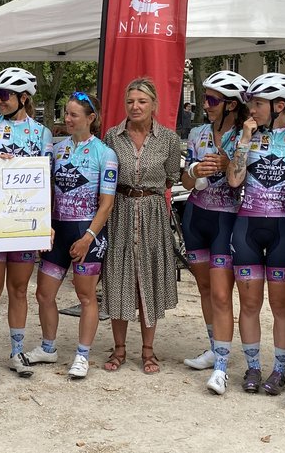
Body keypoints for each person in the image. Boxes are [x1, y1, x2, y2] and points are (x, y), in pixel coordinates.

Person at [226, 72, 285, 396]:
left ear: (279, 105)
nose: (253, 109)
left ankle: (279, 370)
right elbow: (234, 180)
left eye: (259, 103)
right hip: (247, 224)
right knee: (249, 304)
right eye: (251, 102)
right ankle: (252, 366)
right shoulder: (245, 134)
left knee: (281, 306)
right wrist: (246, 138)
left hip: (283, 227)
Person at [0, 67, 53, 382]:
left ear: (23, 98)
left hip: (23, 222)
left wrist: (45, 223)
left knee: (18, 289)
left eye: (4, 95)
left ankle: (17, 351)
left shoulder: (41, 133)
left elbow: (46, 181)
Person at [32, 91, 117, 379]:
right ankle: (48, 347)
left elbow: (107, 204)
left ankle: (82, 355)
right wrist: (46, 223)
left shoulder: (105, 153)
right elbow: (44, 189)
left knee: (85, 296)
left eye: (73, 115)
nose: (67, 119)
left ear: (91, 119)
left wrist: (88, 237)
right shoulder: (58, 150)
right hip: (58, 230)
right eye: (65, 113)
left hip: (86, 232)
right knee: (44, 294)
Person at [100, 77, 182, 375]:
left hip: (152, 213)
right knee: (119, 277)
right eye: (131, 101)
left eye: (142, 101)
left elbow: (172, 176)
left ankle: (148, 350)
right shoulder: (112, 136)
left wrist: (149, 193)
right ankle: (119, 348)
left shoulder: (169, 139)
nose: (135, 107)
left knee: (148, 276)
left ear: (154, 105)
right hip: (119, 210)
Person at [178, 70, 249, 394]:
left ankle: (221, 367)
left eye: (211, 99)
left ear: (231, 105)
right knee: (205, 288)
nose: (205, 104)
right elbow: (186, 182)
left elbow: (244, 180)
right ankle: (214, 348)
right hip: (196, 215)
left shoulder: (247, 135)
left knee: (222, 294)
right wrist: (194, 170)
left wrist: (229, 162)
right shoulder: (198, 132)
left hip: (227, 218)